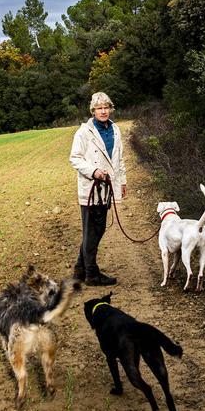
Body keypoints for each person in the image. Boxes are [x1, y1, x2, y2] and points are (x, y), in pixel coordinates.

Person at [69, 92, 127, 286]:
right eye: (99, 108)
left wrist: (123, 181)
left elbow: (118, 159)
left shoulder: (115, 129)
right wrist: (93, 171)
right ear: (93, 111)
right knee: (93, 230)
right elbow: (75, 158)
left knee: (94, 230)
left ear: (110, 109)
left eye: (106, 107)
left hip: (107, 188)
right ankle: (92, 274)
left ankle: (79, 269)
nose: (103, 111)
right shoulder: (84, 132)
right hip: (91, 188)